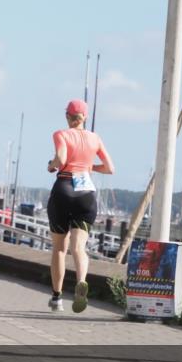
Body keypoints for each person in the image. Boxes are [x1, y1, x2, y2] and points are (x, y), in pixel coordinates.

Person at [46, 99, 115, 313]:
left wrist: (51, 165)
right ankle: (81, 281)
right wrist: (89, 166)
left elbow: (61, 157)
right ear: (84, 117)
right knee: (78, 248)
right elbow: (110, 168)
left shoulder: (61, 134)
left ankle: (57, 298)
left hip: (64, 187)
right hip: (86, 192)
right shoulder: (95, 138)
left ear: (68, 116)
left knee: (59, 248)